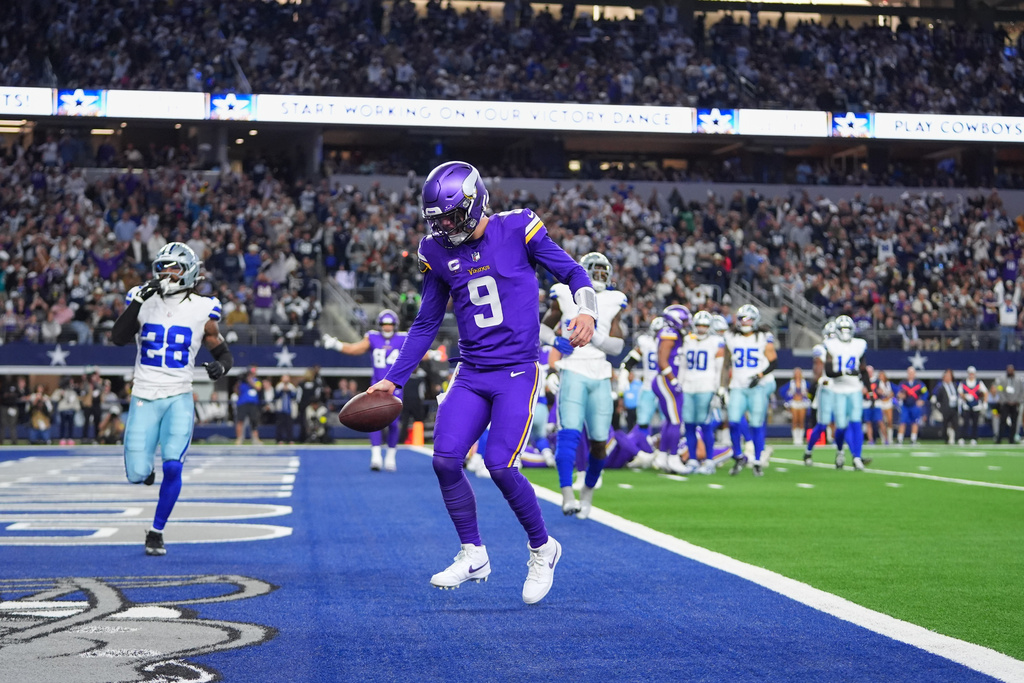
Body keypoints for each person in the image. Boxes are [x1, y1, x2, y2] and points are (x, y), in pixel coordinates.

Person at [366, 161, 595, 605]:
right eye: (438, 219)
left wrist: (586, 311)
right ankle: (474, 554)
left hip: (517, 370)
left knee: (501, 464)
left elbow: (574, 273)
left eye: (451, 216)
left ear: (476, 203)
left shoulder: (518, 228)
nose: (445, 226)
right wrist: (393, 381)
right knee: (446, 460)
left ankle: (543, 548)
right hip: (471, 371)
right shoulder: (434, 250)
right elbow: (426, 322)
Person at [111, 241, 233, 556]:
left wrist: (222, 366)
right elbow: (118, 338)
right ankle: (145, 469)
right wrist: (138, 301)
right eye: (162, 266)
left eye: (174, 267)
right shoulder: (142, 299)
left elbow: (219, 347)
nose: (167, 273)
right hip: (143, 394)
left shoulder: (203, 307)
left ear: (190, 271)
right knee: (137, 474)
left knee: (174, 467)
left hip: (179, 394)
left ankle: (157, 530)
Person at [541, 251, 626, 518]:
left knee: (599, 443)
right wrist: (554, 341)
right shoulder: (564, 293)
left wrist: (597, 339)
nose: (600, 276)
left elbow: (618, 345)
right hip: (573, 368)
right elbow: (543, 327)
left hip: (600, 372)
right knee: (569, 434)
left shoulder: (614, 299)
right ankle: (567, 496)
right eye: (595, 270)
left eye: (604, 271)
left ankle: (587, 494)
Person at [324, 310, 407, 470]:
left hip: (395, 386)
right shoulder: (373, 337)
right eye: (384, 324)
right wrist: (337, 344)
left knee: (394, 423)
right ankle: (376, 456)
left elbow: (415, 353)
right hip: (377, 384)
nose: (387, 328)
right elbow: (355, 349)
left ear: (395, 326)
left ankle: (390, 457)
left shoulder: (403, 338)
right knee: (373, 420)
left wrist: (431, 355)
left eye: (390, 325)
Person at [724, 304, 778, 476]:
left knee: (756, 424)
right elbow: (725, 363)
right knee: (733, 421)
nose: (746, 322)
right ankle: (739, 455)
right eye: (743, 319)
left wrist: (759, 375)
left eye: (749, 319)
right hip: (737, 386)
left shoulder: (763, 336)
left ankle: (756, 460)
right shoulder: (730, 336)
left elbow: (773, 361)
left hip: (757, 387)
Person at [679, 310, 725, 473]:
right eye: (699, 325)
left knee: (705, 426)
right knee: (689, 426)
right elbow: (683, 365)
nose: (701, 328)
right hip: (688, 387)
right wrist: (679, 384)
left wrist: (718, 390)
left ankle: (709, 461)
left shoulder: (716, 341)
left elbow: (720, 369)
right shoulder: (687, 340)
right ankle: (692, 460)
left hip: (706, 387)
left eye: (705, 325)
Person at [616, 317, 665, 468]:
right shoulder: (647, 343)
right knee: (642, 423)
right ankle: (646, 452)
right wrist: (625, 372)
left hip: (665, 388)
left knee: (670, 423)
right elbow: (631, 359)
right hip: (649, 386)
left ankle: (667, 453)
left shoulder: (671, 342)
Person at [823, 315, 869, 470]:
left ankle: (857, 457)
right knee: (841, 426)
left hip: (855, 388)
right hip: (838, 390)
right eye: (842, 329)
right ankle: (840, 450)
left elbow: (863, 369)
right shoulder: (831, 345)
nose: (845, 332)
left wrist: (868, 388)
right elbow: (828, 371)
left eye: (847, 329)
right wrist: (844, 371)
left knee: (856, 423)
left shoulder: (859, 345)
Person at [650, 304, 690, 474]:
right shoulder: (669, 333)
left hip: (666, 380)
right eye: (685, 320)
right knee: (675, 421)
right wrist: (673, 381)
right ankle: (673, 457)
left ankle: (662, 456)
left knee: (670, 420)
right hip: (666, 380)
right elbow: (662, 360)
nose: (687, 323)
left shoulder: (673, 333)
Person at [804, 321, 838, 465]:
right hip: (826, 389)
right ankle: (808, 451)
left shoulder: (844, 348)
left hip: (840, 388)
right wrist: (815, 386)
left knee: (842, 422)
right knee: (823, 424)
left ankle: (843, 453)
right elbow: (818, 370)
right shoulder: (821, 349)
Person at [991, 364, 1023, 444]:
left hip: (1015, 403)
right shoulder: (1002, 379)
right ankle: (999, 438)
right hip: (1005, 403)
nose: (1010, 372)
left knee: (1014, 422)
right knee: (1003, 421)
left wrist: (1017, 400)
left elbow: (1022, 391)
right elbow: (1000, 390)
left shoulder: (1019, 380)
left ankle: (1012, 439)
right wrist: (1005, 400)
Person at [957, 366, 988, 445]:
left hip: (976, 406)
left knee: (975, 423)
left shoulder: (979, 382)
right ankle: (962, 437)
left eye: (972, 373)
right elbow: (960, 393)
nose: (971, 375)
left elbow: (985, 392)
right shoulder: (963, 382)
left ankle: (974, 438)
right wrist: (966, 396)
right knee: (965, 423)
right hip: (966, 406)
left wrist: (985, 402)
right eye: (970, 373)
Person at [897, 366, 927, 445]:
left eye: (912, 373)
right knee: (902, 422)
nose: (911, 374)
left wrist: (922, 400)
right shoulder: (903, 383)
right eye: (909, 373)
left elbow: (925, 393)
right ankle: (900, 439)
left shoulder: (919, 384)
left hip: (914, 405)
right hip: (905, 405)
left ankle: (913, 439)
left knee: (915, 422)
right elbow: (898, 392)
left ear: (915, 374)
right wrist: (900, 395)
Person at [781, 366, 811, 446]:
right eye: (796, 373)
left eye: (799, 373)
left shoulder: (805, 383)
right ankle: (795, 438)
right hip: (794, 403)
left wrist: (804, 396)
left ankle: (800, 438)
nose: (797, 374)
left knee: (801, 421)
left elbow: (810, 393)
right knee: (795, 421)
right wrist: (791, 396)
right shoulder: (791, 383)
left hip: (802, 403)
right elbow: (782, 391)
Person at [234, 366, 264, 446]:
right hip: (242, 403)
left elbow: (258, 388)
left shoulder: (257, 381)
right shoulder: (242, 382)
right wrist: (240, 381)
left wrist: (250, 381)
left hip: (253, 404)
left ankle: (255, 439)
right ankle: (239, 438)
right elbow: (236, 391)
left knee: (254, 422)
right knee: (240, 421)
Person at [933, 368, 960, 446]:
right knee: (946, 424)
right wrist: (939, 407)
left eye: (949, 376)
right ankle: (947, 439)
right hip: (945, 408)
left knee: (955, 423)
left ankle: (953, 438)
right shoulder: (940, 386)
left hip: (954, 407)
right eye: (947, 376)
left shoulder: (955, 385)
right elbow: (936, 397)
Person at [274, 374, 298, 444]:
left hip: (289, 409)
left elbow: (294, 396)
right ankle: (279, 439)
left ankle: (290, 439)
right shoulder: (279, 386)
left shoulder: (291, 386)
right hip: (280, 409)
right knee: (280, 425)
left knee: (289, 425)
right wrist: (282, 390)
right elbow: (276, 395)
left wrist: (288, 390)